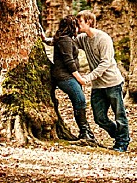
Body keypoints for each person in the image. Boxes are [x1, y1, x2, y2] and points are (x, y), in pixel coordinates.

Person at [76, 10, 131, 153]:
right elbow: (65, 42)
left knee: (119, 114)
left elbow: (105, 63)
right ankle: (119, 135)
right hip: (98, 86)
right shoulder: (82, 38)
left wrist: (87, 78)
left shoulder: (103, 39)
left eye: (80, 21)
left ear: (89, 22)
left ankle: (122, 143)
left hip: (112, 83)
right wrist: (46, 39)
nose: (77, 24)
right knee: (99, 117)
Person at [39, 15, 97, 145]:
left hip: (67, 75)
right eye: (76, 25)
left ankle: (85, 131)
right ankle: (84, 131)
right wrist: (80, 79)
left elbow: (52, 41)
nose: (78, 28)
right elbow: (69, 61)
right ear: (72, 27)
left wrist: (44, 38)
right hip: (65, 76)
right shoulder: (65, 40)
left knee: (79, 101)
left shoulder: (64, 39)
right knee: (80, 100)